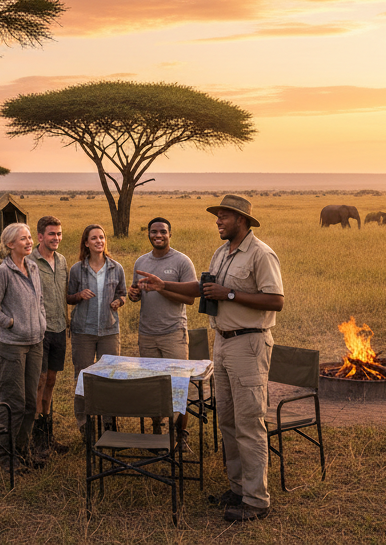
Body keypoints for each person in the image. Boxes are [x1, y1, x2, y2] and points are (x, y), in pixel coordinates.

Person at [135, 195, 283, 524]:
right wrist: (164, 284)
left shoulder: (260, 253)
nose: (218, 220)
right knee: (228, 421)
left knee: (249, 422)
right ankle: (238, 489)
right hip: (224, 342)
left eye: (224, 216)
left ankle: (257, 500)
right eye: (217, 215)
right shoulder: (221, 253)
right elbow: (202, 289)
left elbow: (276, 300)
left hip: (249, 343)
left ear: (242, 220)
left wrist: (229, 294)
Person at [127, 216, 197, 451]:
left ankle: (181, 436)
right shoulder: (141, 261)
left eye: (163, 232)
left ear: (170, 234)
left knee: (179, 386)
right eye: (154, 231)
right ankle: (157, 433)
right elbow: (136, 292)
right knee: (153, 386)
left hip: (173, 333)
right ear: (148, 234)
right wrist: (133, 295)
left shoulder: (181, 262)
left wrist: (162, 287)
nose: (158, 235)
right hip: (147, 333)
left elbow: (190, 298)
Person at [0, 222, 48, 471]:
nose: (30, 242)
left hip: (35, 344)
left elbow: (40, 301)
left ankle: (22, 452)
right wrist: (11, 323)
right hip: (12, 346)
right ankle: (5, 458)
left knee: (31, 402)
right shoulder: (3, 272)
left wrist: (40, 323)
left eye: (30, 237)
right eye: (24, 238)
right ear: (10, 244)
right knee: (13, 402)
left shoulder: (33, 266)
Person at [65, 223, 127, 434]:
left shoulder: (115, 267)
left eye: (101, 237)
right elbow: (68, 297)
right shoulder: (77, 269)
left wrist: (119, 301)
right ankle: (86, 426)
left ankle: (109, 424)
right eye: (94, 238)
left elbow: (123, 293)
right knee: (83, 377)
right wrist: (79, 296)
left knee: (110, 377)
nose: (99, 241)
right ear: (86, 243)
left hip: (109, 331)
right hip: (83, 331)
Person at [30, 215, 71, 456]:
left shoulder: (63, 261)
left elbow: (64, 294)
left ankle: (48, 436)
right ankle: (36, 441)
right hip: (40, 331)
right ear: (40, 236)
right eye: (52, 234)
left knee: (52, 382)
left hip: (60, 328)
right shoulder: (30, 261)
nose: (56, 238)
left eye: (59, 234)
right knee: (39, 382)